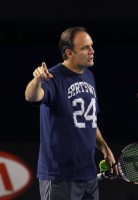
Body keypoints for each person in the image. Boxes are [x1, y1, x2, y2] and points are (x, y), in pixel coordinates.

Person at [25, 26, 118, 200]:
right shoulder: (52, 77)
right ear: (69, 53)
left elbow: (89, 122)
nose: (92, 51)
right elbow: (31, 96)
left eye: (91, 46)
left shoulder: (89, 76)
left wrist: (105, 148)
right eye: (85, 48)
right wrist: (37, 80)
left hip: (88, 175)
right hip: (60, 176)